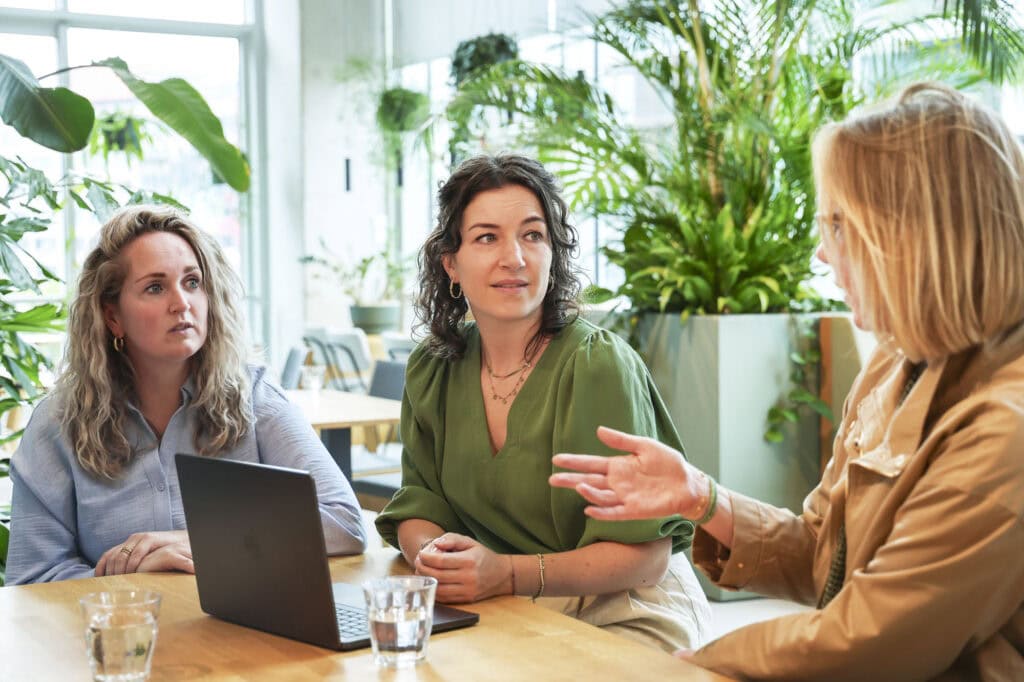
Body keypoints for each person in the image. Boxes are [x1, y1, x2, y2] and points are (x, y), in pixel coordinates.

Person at [550, 82, 1024, 680]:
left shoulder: (1005, 428)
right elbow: (827, 558)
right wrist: (702, 498)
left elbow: (875, 637)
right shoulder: (896, 365)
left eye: (839, 225)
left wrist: (699, 664)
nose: (823, 254)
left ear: (910, 240)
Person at [374, 153, 711, 652]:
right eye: (486, 237)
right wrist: (436, 558)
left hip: (627, 608)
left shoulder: (597, 366)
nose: (514, 257)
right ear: (451, 263)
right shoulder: (433, 367)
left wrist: (506, 572)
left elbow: (647, 558)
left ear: (553, 255)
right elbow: (420, 503)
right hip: (502, 607)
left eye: (533, 235)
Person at [7, 205, 366, 584]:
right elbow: (32, 577)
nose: (182, 303)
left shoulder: (253, 396)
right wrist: (131, 580)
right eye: (155, 287)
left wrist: (198, 541)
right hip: (124, 621)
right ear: (113, 317)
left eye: (192, 282)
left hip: (235, 620)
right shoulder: (58, 422)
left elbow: (343, 521)